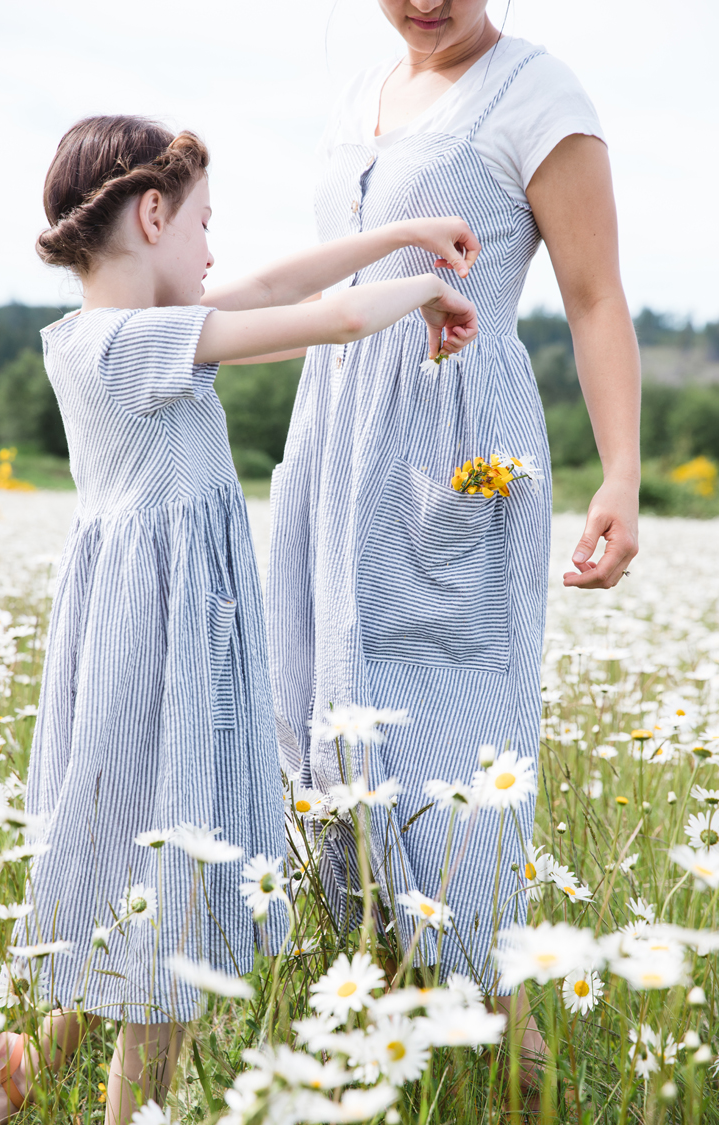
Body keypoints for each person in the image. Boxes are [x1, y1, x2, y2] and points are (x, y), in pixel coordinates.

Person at [0, 115, 479, 1125]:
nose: (212, 251)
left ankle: (6, 1078)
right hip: (163, 661)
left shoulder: (113, 335)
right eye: (204, 224)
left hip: (151, 647)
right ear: (151, 214)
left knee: (141, 893)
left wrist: (397, 236)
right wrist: (424, 286)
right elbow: (324, 322)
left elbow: (282, 288)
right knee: (171, 928)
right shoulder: (126, 345)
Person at [264, 0, 640, 1095]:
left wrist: (620, 473)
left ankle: (512, 1060)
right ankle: (393, 1038)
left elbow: (596, 293)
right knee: (325, 730)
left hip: (453, 440)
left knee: (449, 736)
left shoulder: (537, 93)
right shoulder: (357, 95)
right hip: (332, 439)